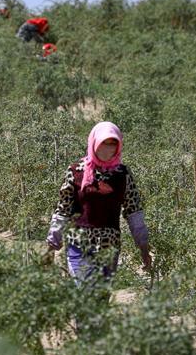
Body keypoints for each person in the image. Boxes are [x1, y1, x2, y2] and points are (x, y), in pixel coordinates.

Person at [45, 121, 151, 289]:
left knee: (100, 299)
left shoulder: (122, 174)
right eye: (103, 144)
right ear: (94, 143)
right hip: (79, 245)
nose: (107, 150)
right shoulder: (76, 171)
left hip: (109, 247)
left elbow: (133, 211)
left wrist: (143, 247)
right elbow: (63, 209)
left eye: (112, 145)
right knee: (86, 293)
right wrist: (52, 245)